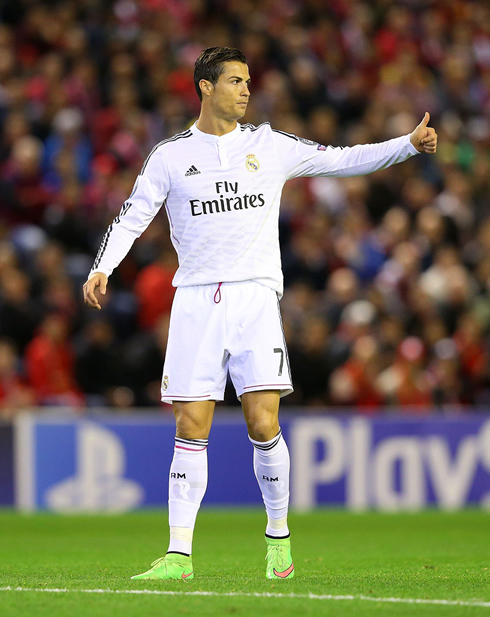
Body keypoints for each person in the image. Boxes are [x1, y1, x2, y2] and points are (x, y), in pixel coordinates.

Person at [83, 47, 437, 581]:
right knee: (190, 423)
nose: (246, 90)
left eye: (248, 81)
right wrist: (102, 267)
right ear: (205, 87)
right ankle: (179, 556)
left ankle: (278, 539)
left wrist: (406, 146)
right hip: (197, 299)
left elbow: (340, 158)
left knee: (262, 421)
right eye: (234, 81)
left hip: (254, 299)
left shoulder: (269, 145)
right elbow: (133, 215)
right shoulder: (171, 155)